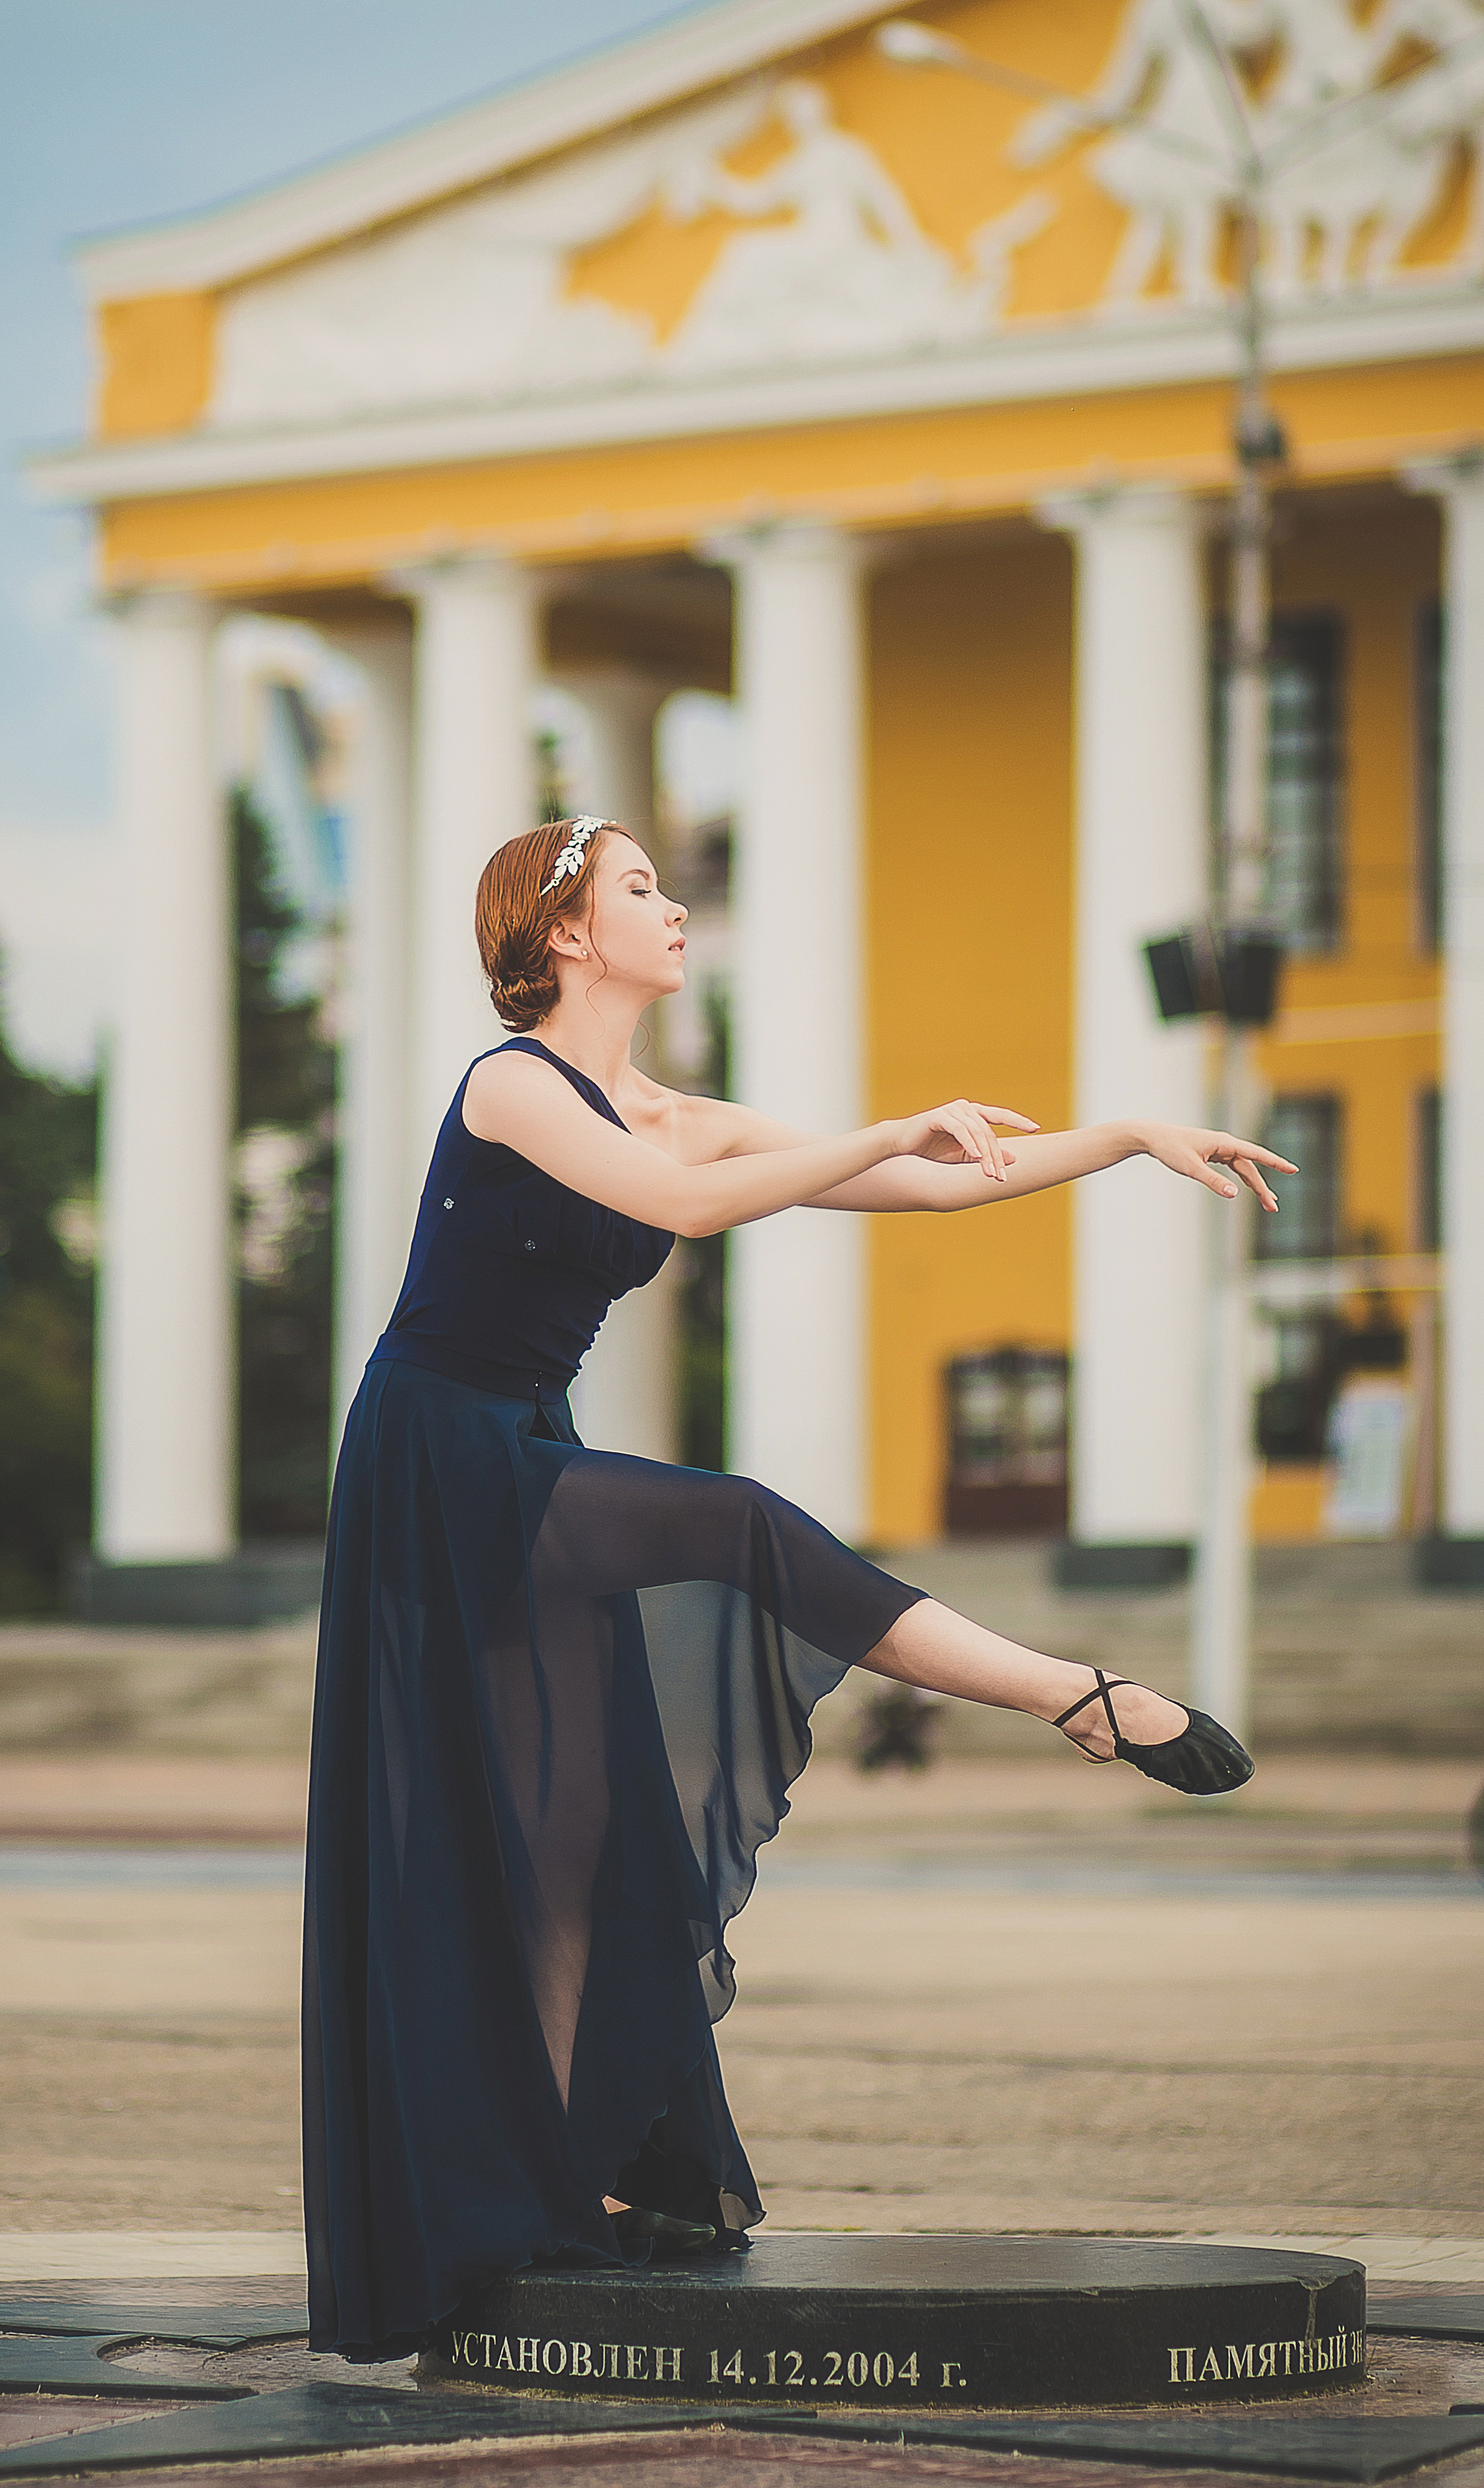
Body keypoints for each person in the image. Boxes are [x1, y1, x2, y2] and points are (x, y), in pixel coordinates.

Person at [303, 813, 1291, 2365]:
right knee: (746, 1524)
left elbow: (931, 1184)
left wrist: (1118, 1138)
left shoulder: (677, 1114)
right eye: (640, 888)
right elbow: (686, 1208)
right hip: (440, 1454)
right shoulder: (512, 1086)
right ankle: (1073, 1696)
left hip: (527, 1441)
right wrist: (889, 1125)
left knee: (571, 1836)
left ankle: (540, 2185)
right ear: (563, 934)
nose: (674, 908)